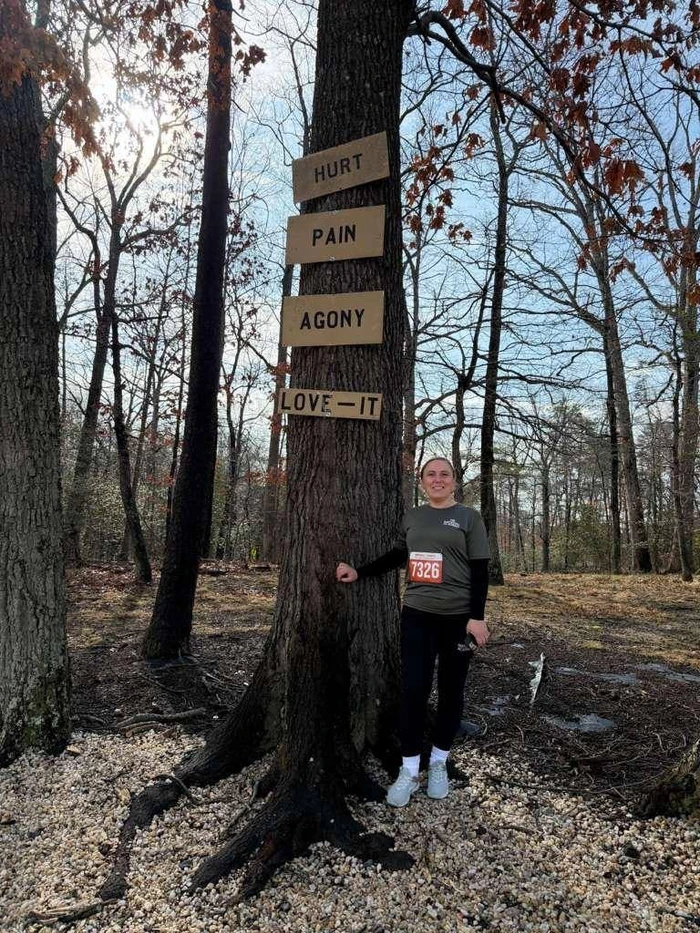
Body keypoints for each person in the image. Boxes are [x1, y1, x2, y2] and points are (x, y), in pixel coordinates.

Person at [336, 457, 490, 807]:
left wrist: (477, 617)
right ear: (422, 481)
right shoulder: (413, 517)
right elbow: (397, 556)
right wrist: (360, 572)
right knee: (413, 691)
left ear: (454, 480)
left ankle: (438, 763)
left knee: (452, 691)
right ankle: (408, 770)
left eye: (444, 474)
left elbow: (480, 570)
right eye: (430, 474)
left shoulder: (469, 518)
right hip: (417, 616)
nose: (438, 479)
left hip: (458, 619)